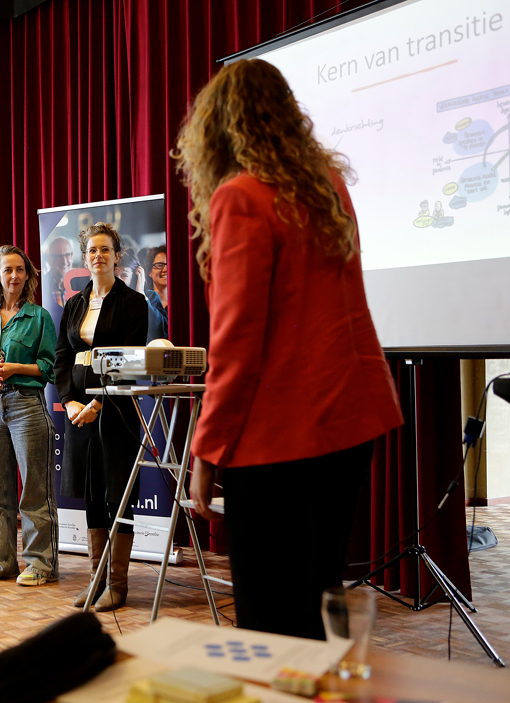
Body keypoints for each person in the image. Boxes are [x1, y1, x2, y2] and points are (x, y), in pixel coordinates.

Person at [174, 59, 403, 640]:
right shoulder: (327, 186)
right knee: (316, 608)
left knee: (271, 624)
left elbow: (236, 341)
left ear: (218, 128)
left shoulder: (240, 196)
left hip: (279, 439)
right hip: (347, 423)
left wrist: (207, 449)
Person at [54, 223, 148, 611]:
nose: (98, 256)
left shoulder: (133, 302)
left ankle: (118, 584)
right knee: (92, 493)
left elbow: (130, 360)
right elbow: (62, 358)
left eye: (105, 249)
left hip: (116, 411)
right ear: (84, 257)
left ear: (117, 255)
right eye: (92, 250)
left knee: (118, 493)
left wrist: (99, 404)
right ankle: (96, 580)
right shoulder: (75, 304)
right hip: (79, 414)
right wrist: (70, 402)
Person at [0, 245, 59, 586]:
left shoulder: (40, 317)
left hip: (26, 404)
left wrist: (14, 368)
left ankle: (40, 564)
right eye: (8, 269)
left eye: (20, 269)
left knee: (34, 489)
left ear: (28, 275)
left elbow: (48, 366)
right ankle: (1, 560)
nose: (14, 276)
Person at [144, 246, 169, 341]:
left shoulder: (181, 303)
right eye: (160, 265)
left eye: (169, 264)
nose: (165, 269)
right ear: (149, 272)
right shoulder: (143, 299)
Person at [44, 236, 75, 307]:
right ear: (49, 259)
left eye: (67, 255)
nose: (64, 261)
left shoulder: (81, 285)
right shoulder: (40, 285)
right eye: (59, 256)